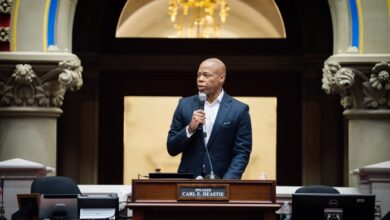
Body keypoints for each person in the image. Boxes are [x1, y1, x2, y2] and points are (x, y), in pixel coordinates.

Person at [167, 58, 252, 179]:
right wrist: (190, 129)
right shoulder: (184, 105)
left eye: (206, 75)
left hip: (222, 180)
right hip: (187, 182)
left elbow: (242, 152)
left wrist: (227, 182)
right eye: (198, 75)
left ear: (221, 78)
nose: (200, 79)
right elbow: (171, 148)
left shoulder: (239, 110)